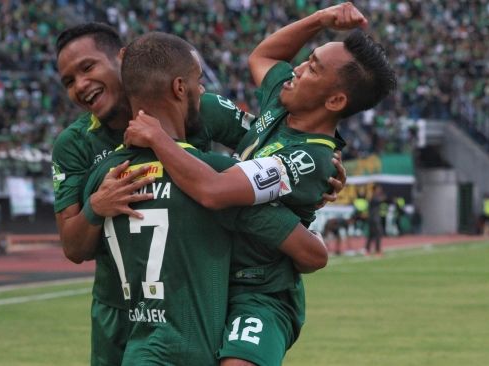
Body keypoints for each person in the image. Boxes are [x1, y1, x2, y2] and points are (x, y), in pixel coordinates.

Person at [53, 23, 342, 366]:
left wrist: (313, 172)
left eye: (87, 67)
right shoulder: (74, 145)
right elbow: (73, 246)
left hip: (197, 295)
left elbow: (267, 147)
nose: (81, 85)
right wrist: (96, 207)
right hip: (120, 303)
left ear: (123, 58)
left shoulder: (201, 107)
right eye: (69, 81)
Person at [125, 3, 396, 365]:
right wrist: (320, 19)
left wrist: (159, 139)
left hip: (261, 293)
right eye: (307, 59)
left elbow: (214, 190)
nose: (297, 69)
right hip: (214, 280)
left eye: (312, 68)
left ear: (334, 100)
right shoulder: (283, 102)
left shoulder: (309, 159)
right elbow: (264, 55)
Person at [365, 184, 385, 257]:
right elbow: (379, 201)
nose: (380, 190)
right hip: (374, 219)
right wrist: (383, 198)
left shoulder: (373, 196)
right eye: (378, 189)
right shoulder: (373, 197)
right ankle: (377, 251)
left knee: (371, 235)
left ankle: (367, 250)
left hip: (372, 218)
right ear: (375, 189)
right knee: (378, 234)